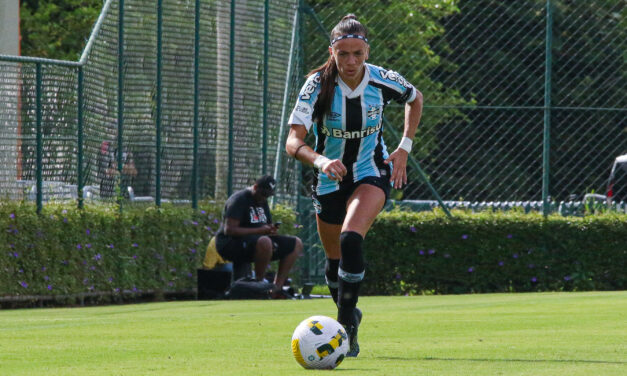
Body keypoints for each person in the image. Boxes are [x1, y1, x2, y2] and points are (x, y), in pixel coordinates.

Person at [285, 14, 423, 356]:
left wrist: (404, 147)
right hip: (329, 179)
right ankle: (350, 316)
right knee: (333, 263)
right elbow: (293, 142)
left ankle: (344, 329)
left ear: (367, 51)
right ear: (332, 51)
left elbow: (415, 98)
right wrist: (320, 160)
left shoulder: (382, 80)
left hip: (370, 171)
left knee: (350, 238)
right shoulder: (316, 85)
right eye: (343, 53)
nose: (350, 61)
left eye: (357, 54)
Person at [215, 175, 304, 298]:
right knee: (265, 242)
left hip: (257, 240)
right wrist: (260, 230)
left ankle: (276, 289)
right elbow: (229, 230)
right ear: (255, 187)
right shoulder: (239, 199)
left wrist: (270, 230)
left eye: (268, 195)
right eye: (263, 194)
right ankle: (258, 286)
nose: (264, 198)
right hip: (229, 243)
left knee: (296, 243)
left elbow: (265, 225)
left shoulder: (263, 201)